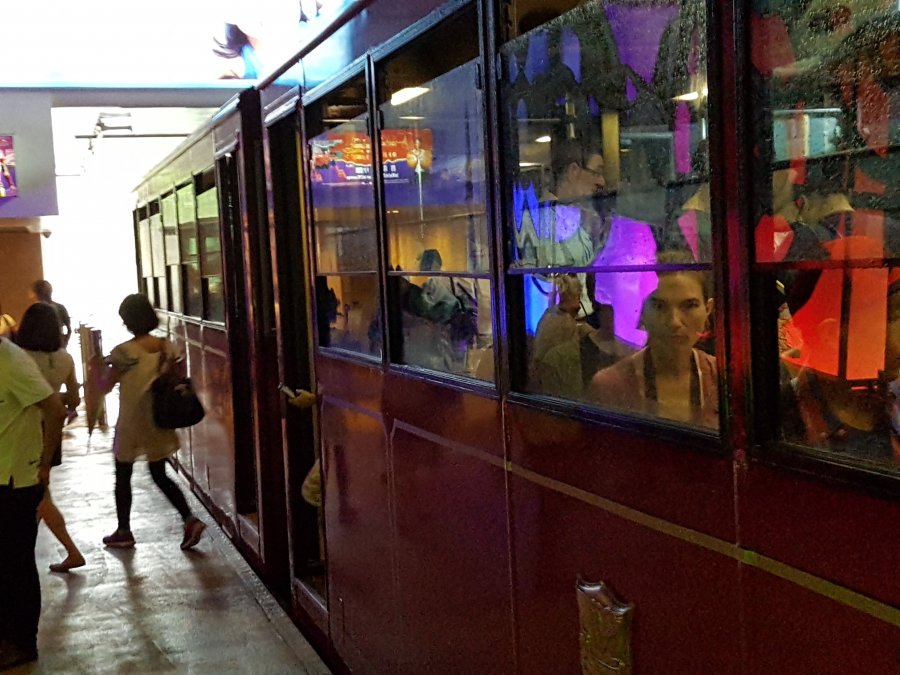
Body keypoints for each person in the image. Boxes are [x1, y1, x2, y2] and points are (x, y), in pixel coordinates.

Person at [96, 294, 205, 550]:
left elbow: (104, 386)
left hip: (132, 421)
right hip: (159, 419)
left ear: (129, 321)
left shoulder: (124, 352)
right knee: (159, 473)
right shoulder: (168, 347)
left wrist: (96, 370)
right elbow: (177, 378)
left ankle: (124, 530)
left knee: (123, 474)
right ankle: (189, 519)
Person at [0, 335, 67, 670]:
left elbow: (55, 409)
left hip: (16, 481)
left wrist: (44, 463)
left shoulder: (11, 360)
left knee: (17, 564)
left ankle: (23, 643)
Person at [590, 253, 718, 428]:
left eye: (689, 305)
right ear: (641, 310)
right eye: (659, 306)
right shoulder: (610, 386)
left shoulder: (723, 378)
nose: (674, 322)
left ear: (708, 309)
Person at [16, 303, 85, 573]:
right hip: (52, 433)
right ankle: (65, 551)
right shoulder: (65, 358)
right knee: (40, 494)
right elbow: (75, 399)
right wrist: (54, 398)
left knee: (40, 496)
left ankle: (71, 551)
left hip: (26, 432)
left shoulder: (19, 358)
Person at [30, 279, 72, 348]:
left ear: (35, 294)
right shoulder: (60, 307)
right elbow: (69, 329)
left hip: (41, 348)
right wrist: (64, 344)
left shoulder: (35, 310)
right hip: (59, 345)